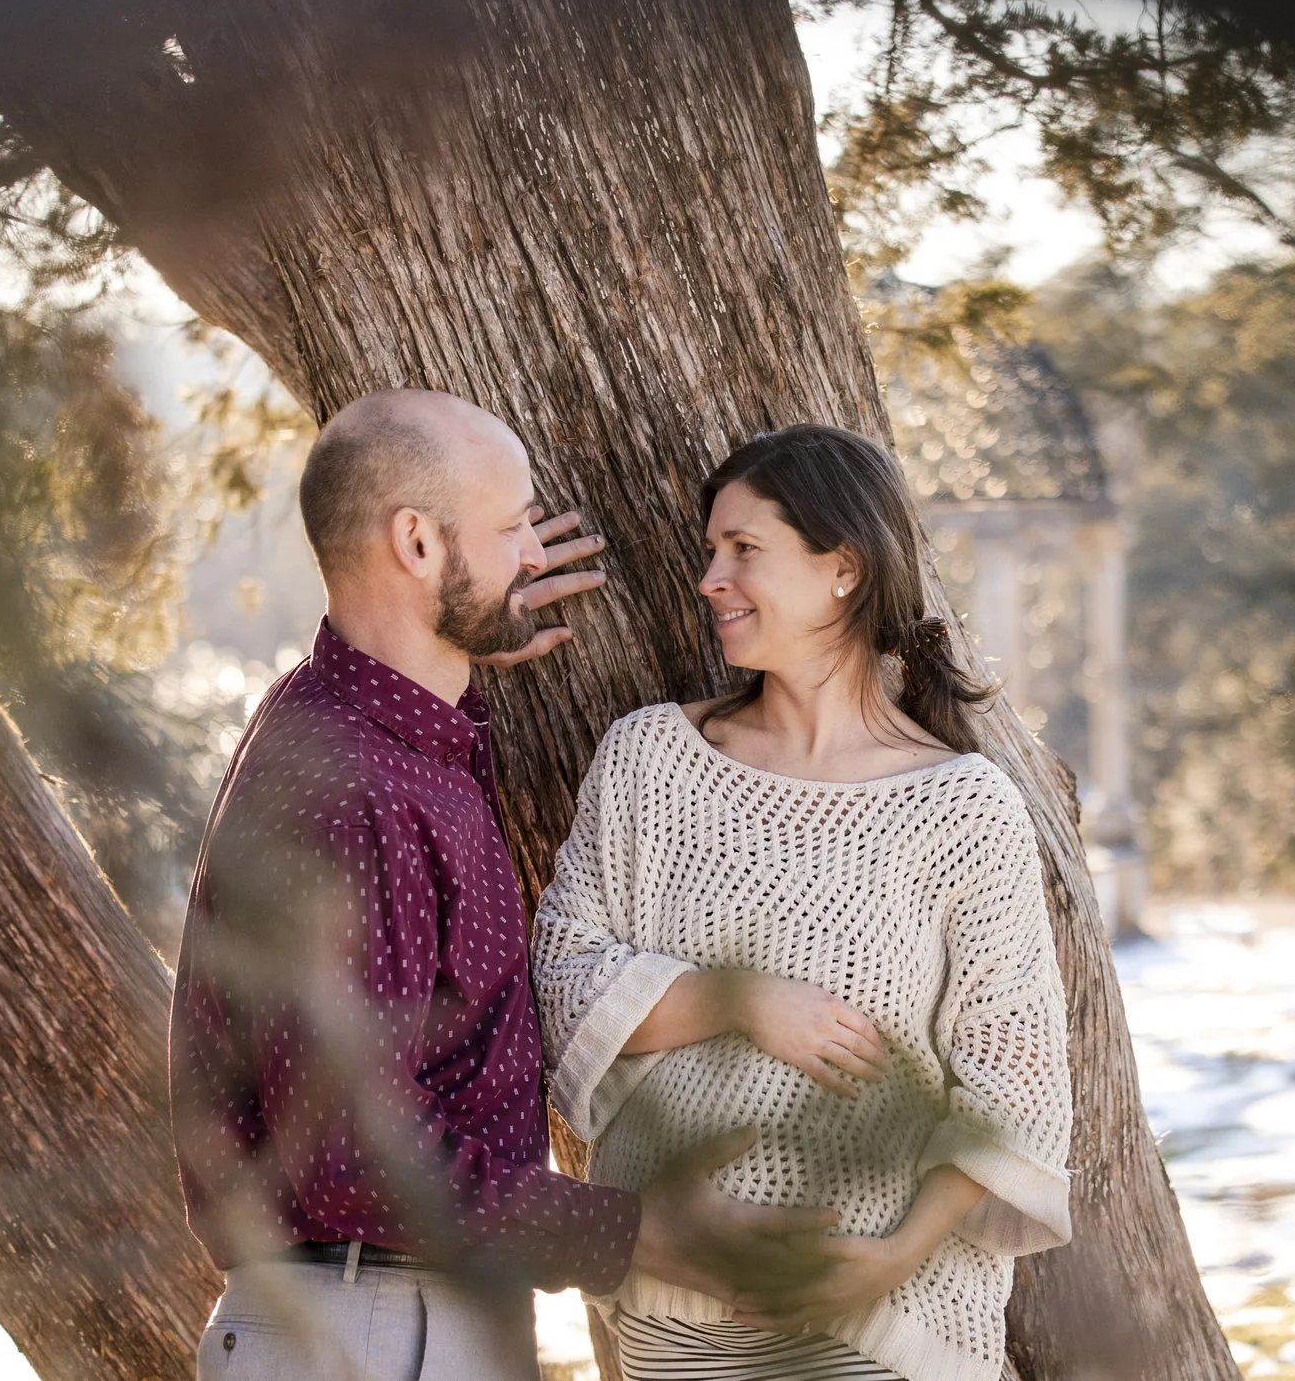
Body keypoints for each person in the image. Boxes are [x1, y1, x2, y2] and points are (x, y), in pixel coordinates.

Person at [171, 390, 844, 1381]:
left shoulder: (375, 727)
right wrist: (648, 1235)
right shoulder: (342, 788)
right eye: (511, 523)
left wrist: (469, 638)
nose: (536, 551)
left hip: (396, 1318)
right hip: (367, 1328)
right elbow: (356, 1152)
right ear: (416, 543)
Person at [533, 423, 1073, 1381]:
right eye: (711, 550)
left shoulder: (963, 807)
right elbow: (561, 975)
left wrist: (892, 1258)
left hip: (878, 1326)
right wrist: (742, 1001)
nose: (710, 577)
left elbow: (1011, 1081)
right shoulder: (649, 759)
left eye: (744, 549)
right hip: (677, 1308)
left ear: (844, 570)